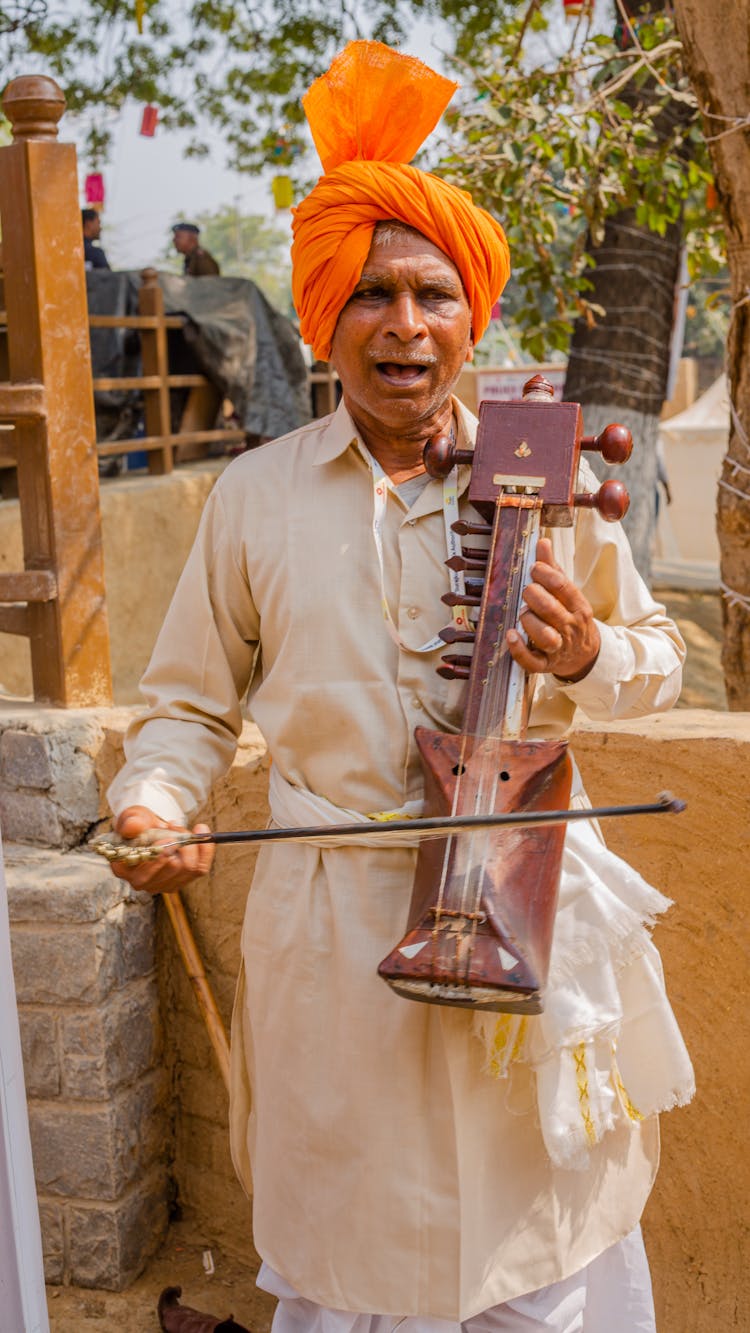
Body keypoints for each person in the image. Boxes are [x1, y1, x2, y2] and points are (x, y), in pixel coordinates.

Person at [107, 42, 693, 1333]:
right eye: (369, 294)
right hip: (333, 942)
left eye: (431, 292)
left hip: (521, 921)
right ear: (324, 316)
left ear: (469, 313)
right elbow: (189, 708)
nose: (404, 325)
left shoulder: (545, 476)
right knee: (352, 1248)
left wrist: (587, 653)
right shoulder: (254, 497)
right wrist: (155, 802)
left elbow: (660, 662)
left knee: (534, 1238)